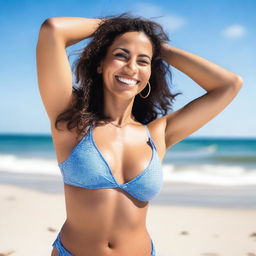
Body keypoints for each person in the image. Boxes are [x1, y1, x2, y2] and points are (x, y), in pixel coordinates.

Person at [36, 13, 243, 256]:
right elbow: (53, 30)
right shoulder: (72, 122)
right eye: (121, 55)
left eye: (143, 61)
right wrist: (119, 29)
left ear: (150, 72)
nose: (131, 67)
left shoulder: (157, 135)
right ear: (100, 64)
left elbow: (229, 84)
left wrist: (155, 46)